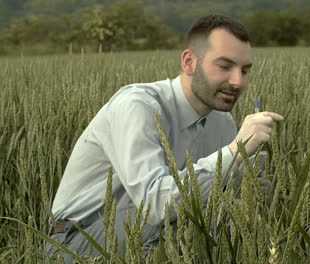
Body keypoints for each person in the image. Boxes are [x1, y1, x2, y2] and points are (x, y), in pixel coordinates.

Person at [45, 14, 283, 261]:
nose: (237, 81)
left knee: (229, 223)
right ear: (189, 62)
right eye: (224, 66)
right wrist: (235, 150)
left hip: (143, 231)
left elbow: (207, 194)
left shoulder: (222, 121)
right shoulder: (137, 106)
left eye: (244, 71)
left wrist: (243, 188)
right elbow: (154, 206)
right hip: (75, 239)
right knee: (187, 226)